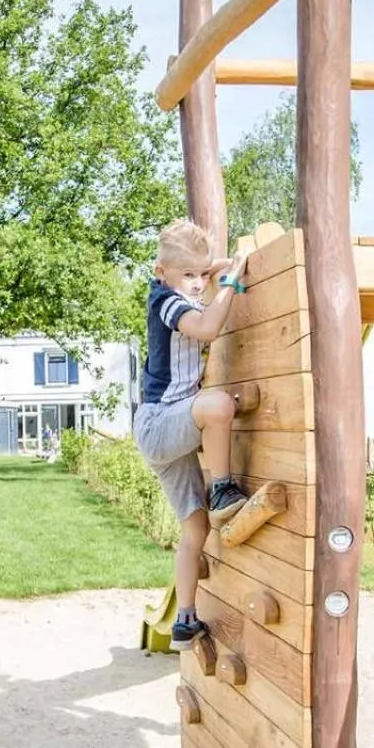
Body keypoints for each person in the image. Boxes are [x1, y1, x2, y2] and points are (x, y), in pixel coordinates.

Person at [133, 219, 252, 650]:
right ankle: (222, 489)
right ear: (160, 272)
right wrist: (231, 285)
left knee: (195, 529)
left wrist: (218, 265)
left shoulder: (180, 285)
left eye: (202, 275)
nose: (199, 284)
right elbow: (205, 329)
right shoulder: (166, 301)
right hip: (161, 424)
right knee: (219, 404)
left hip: (166, 434)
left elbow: (205, 267)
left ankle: (185, 620)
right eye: (189, 275)